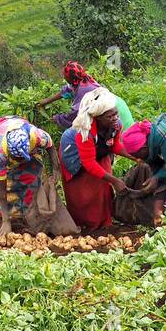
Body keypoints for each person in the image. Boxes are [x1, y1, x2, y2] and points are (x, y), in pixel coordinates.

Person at [57, 87, 141, 232]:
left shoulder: (116, 125)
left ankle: (105, 222)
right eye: (110, 116)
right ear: (98, 118)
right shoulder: (84, 132)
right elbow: (88, 163)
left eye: (116, 114)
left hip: (99, 151)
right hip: (75, 155)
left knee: (103, 188)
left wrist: (136, 158)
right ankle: (86, 226)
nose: (115, 118)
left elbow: (114, 146)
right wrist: (114, 180)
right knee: (84, 194)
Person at [0, 115, 59, 242]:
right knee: (3, 184)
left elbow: (51, 147)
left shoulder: (36, 136)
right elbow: (1, 190)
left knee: (33, 175)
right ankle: (0, 221)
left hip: (20, 128)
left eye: (22, 158)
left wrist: (55, 169)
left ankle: (28, 216)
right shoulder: (0, 154)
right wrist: (5, 220)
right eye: (17, 159)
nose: (20, 162)